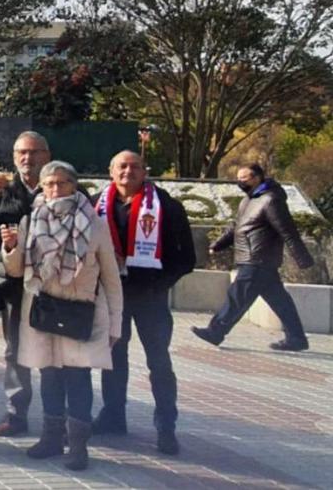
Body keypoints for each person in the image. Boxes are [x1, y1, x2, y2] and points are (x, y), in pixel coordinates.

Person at [1, 160, 123, 471]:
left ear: (74, 185)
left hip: (80, 313)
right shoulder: (32, 219)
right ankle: (51, 439)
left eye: (63, 183)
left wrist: (116, 323)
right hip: (43, 312)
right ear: (42, 187)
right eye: (50, 184)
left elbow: (110, 278)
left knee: (78, 379)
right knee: (49, 376)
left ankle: (78, 445)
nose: (56, 190)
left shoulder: (93, 222)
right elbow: (16, 271)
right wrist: (11, 248)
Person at [92, 150, 195, 455]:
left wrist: (159, 285)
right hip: (113, 297)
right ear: (111, 171)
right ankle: (113, 416)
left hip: (151, 299)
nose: (128, 171)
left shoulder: (167, 206)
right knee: (112, 360)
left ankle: (166, 426)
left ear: (144, 171)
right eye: (122, 166)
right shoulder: (95, 204)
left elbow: (186, 259)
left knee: (159, 362)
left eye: (135, 166)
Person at [194, 163, 316, 351]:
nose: (240, 182)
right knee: (280, 301)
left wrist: (302, 258)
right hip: (253, 259)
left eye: (244, 178)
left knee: (237, 296)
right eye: (238, 178)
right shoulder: (248, 201)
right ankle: (297, 338)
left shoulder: (271, 200)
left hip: (258, 259)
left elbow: (287, 230)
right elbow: (237, 227)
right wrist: (218, 244)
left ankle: (215, 332)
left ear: (257, 177)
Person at [0, 130, 53, 437]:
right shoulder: (2, 191)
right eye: (21, 153)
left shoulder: (62, 187)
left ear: (48, 155)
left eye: (35, 152)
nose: (27, 158)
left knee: (53, 353)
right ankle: (16, 415)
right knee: (14, 351)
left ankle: (57, 419)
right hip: (15, 287)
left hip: (53, 288)